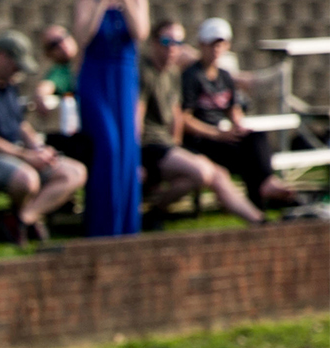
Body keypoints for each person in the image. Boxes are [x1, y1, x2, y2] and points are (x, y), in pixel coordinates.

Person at [0, 31, 88, 246]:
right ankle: (21, 221)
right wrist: (27, 156)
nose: (18, 72)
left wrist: (39, 149)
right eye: (16, 65)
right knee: (27, 179)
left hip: (12, 154)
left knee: (75, 172)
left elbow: (20, 125)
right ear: (1, 56)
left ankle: (23, 219)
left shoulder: (9, 87)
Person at [137, 19, 266, 228]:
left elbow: (176, 116)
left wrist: (176, 145)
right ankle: (153, 213)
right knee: (202, 172)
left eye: (178, 43)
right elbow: (137, 117)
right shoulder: (144, 71)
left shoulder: (172, 72)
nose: (172, 48)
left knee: (218, 175)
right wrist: (134, 158)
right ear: (153, 42)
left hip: (166, 145)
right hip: (148, 146)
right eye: (166, 41)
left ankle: (259, 221)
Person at [181, 18, 298, 210]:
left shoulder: (224, 76)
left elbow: (233, 110)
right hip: (201, 140)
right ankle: (264, 194)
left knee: (254, 139)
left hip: (221, 136)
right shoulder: (191, 76)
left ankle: (262, 196)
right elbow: (184, 119)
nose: (216, 49)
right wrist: (216, 134)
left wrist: (238, 128)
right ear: (201, 45)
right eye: (212, 45)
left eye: (220, 44)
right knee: (249, 152)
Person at [76, 0, 149, 236]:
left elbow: (141, 32)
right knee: (107, 146)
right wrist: (100, 5)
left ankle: (126, 226)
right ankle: (101, 226)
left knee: (127, 149)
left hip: (124, 77)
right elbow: (82, 37)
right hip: (95, 75)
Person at [33, 25, 95, 167]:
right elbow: (46, 86)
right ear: (48, 54)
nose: (61, 44)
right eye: (53, 44)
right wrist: (40, 95)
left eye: (63, 37)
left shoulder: (92, 60)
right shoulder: (61, 71)